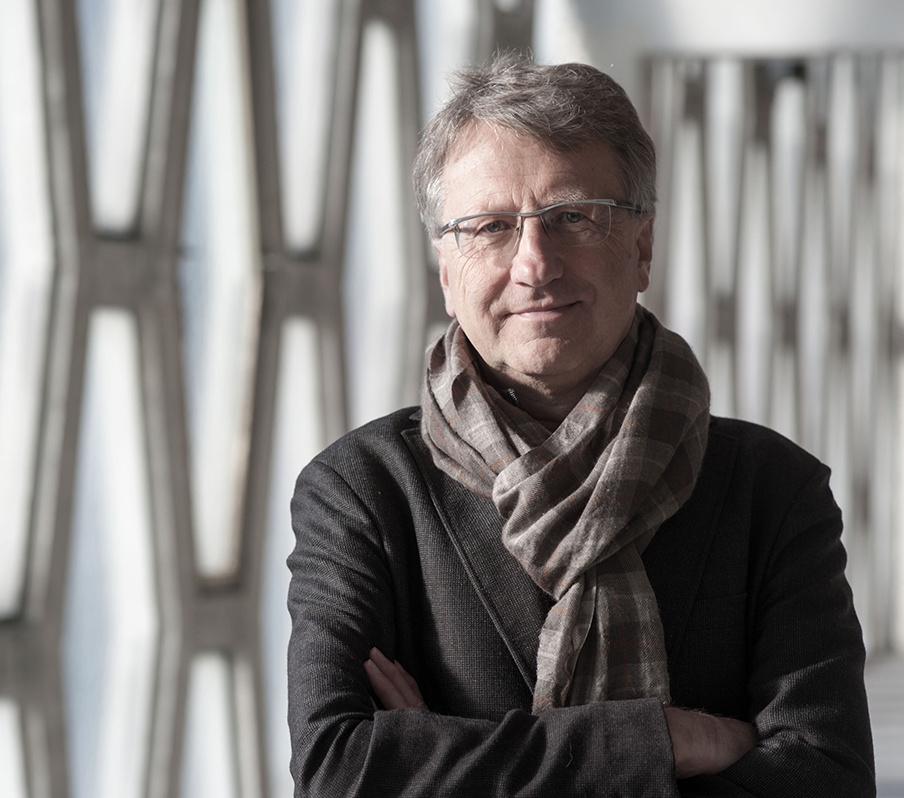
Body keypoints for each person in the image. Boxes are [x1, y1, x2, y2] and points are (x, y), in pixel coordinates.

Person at [286, 54, 874, 797]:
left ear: (642, 248)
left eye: (572, 217)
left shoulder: (773, 490)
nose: (534, 264)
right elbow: (338, 770)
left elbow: (827, 779)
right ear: (446, 271)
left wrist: (442, 760)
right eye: (490, 227)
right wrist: (665, 742)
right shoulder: (364, 492)